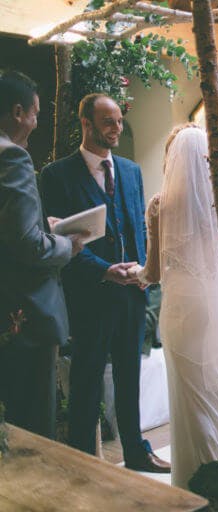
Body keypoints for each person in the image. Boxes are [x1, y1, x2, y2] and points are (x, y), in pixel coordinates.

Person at [40, 93, 169, 472]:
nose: (116, 128)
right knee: (87, 380)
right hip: (89, 295)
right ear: (86, 123)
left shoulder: (130, 170)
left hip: (132, 294)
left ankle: (136, 453)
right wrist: (103, 269)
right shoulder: (57, 175)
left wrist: (145, 269)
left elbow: (139, 227)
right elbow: (58, 239)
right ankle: (84, 463)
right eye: (108, 121)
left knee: (130, 377)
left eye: (119, 121)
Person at [131, 125, 218, 488]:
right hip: (217, 306)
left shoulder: (160, 206)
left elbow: (153, 273)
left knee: (188, 398)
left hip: (181, 311)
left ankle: (191, 479)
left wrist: (134, 273)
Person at [0, 70, 84, 439]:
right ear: (18, 112)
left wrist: (41, 225)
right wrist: (67, 245)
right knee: (33, 427)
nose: (35, 123)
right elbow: (27, 244)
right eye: (34, 114)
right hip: (24, 313)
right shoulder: (12, 157)